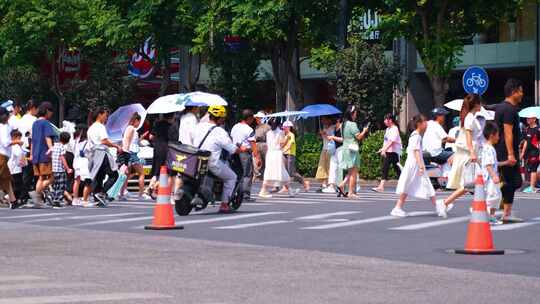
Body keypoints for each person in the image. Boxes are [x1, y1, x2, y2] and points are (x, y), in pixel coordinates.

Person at [192, 105, 247, 213]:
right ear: (220, 118)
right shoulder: (220, 131)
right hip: (212, 162)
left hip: (196, 160)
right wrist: (241, 149)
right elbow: (231, 148)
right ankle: (224, 204)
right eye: (223, 118)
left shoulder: (199, 126)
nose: (223, 120)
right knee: (232, 177)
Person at [438, 94, 484, 218]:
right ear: (476, 104)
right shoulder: (469, 117)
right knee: (472, 183)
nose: (481, 105)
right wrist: (473, 153)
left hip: (471, 153)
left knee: (474, 183)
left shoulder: (470, 117)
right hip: (469, 154)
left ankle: (476, 206)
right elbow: (469, 138)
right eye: (480, 102)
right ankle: (445, 202)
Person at [391, 115, 437, 217]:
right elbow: (415, 151)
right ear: (419, 124)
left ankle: (438, 206)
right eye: (425, 121)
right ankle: (397, 208)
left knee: (424, 184)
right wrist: (421, 166)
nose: (427, 123)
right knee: (410, 185)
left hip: (415, 164)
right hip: (414, 164)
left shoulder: (415, 135)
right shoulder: (416, 136)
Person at [494, 78, 524, 222]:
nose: (522, 94)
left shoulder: (501, 107)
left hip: (502, 149)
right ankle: (505, 213)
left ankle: (502, 207)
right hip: (506, 151)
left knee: (515, 182)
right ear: (514, 92)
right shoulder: (509, 109)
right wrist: (511, 154)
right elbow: (507, 132)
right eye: (520, 91)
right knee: (511, 182)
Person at [87, 108, 122, 207]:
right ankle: (101, 193)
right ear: (100, 115)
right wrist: (116, 146)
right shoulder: (100, 127)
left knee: (99, 176)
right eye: (105, 115)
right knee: (114, 175)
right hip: (101, 153)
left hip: (94, 153)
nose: (106, 118)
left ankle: (97, 196)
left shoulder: (91, 127)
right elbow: (104, 141)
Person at [258, 118, 299, 198]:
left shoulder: (268, 133)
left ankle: (290, 190)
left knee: (274, 171)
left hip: (270, 153)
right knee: (280, 171)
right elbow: (281, 145)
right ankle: (263, 190)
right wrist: (286, 139)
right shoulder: (280, 133)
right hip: (277, 153)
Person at [29, 102, 56, 208]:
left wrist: (31, 154)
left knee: (41, 177)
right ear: (47, 111)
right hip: (44, 154)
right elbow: (48, 137)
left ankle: (38, 200)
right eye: (51, 111)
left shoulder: (35, 123)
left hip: (36, 154)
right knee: (53, 177)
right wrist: (51, 148)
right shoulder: (46, 123)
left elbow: (32, 140)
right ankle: (36, 193)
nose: (52, 114)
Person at [231, 109, 262, 201]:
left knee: (237, 173)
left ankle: (235, 193)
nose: (252, 120)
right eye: (252, 118)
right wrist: (257, 157)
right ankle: (245, 195)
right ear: (249, 118)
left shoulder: (235, 127)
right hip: (245, 153)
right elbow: (253, 144)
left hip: (234, 152)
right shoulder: (249, 129)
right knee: (247, 174)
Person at [338, 105, 369, 199]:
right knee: (354, 172)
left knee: (350, 171)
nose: (356, 115)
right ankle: (351, 192)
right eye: (355, 113)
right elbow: (359, 137)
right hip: (352, 149)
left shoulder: (342, 125)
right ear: (352, 114)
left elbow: (343, 138)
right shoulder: (352, 124)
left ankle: (342, 184)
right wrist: (364, 131)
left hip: (345, 148)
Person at [118, 113, 148, 200]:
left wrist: (141, 138)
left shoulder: (130, 128)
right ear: (136, 120)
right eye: (139, 121)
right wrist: (126, 153)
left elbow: (132, 141)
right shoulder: (131, 128)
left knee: (127, 174)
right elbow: (127, 141)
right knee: (141, 173)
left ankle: (122, 194)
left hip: (129, 152)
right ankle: (141, 194)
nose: (139, 124)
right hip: (131, 153)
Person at [482, 122, 506, 225]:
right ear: (492, 135)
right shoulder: (488, 148)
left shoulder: (489, 148)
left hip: (491, 177)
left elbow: (494, 163)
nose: (499, 137)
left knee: (496, 197)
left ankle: (490, 216)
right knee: (493, 197)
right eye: (498, 135)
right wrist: (494, 176)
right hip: (490, 178)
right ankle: (485, 214)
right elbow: (488, 165)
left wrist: (506, 163)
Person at [373, 113, 402, 193]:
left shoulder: (394, 129)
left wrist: (384, 150)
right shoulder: (388, 129)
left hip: (394, 152)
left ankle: (404, 186)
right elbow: (386, 141)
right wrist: (382, 149)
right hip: (389, 152)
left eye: (386, 119)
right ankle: (381, 187)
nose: (384, 121)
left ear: (390, 120)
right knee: (385, 168)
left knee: (397, 170)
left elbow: (391, 142)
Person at [147, 113, 174, 197]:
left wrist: (157, 138)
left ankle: (150, 186)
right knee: (164, 171)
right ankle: (154, 187)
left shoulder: (157, 123)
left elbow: (150, 137)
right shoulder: (171, 126)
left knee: (156, 170)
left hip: (156, 148)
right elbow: (172, 139)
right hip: (165, 149)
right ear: (171, 117)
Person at [281, 120, 310, 192]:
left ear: (289, 127)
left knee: (291, 172)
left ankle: (304, 182)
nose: (284, 128)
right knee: (284, 171)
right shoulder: (284, 135)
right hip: (284, 154)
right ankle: (285, 187)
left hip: (290, 154)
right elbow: (281, 144)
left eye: (285, 127)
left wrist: (285, 149)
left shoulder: (291, 135)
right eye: (283, 127)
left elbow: (291, 144)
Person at [0, 108, 18, 208]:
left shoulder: (6, 126)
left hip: (4, 156)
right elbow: (6, 143)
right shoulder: (3, 127)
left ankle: (13, 200)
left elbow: (14, 126)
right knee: (5, 178)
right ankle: (12, 200)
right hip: (1, 156)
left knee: (6, 179)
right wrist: (17, 142)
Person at [72, 125, 92, 207]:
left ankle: (75, 199)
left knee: (77, 181)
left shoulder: (75, 141)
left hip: (76, 162)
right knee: (88, 181)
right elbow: (90, 153)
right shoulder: (87, 142)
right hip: (84, 162)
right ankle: (85, 200)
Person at [51, 132, 73, 206]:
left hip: (53, 169)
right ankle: (57, 200)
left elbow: (48, 154)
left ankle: (53, 198)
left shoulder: (54, 145)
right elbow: (62, 158)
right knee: (61, 186)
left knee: (55, 185)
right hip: (60, 169)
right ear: (67, 140)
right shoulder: (62, 147)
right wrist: (67, 168)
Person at [315, 116, 336, 192]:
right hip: (324, 148)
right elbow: (320, 138)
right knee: (322, 166)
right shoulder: (323, 127)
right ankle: (324, 183)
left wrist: (325, 134)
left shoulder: (333, 127)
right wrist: (321, 134)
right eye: (322, 120)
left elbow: (332, 138)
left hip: (330, 149)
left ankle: (330, 183)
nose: (323, 121)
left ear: (329, 120)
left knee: (329, 167)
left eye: (324, 119)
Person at [520, 115, 540, 193]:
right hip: (528, 153)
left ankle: (532, 187)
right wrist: (522, 153)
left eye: (529, 118)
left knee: (533, 169)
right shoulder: (527, 129)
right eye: (527, 118)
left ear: (534, 119)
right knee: (531, 169)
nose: (527, 119)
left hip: (536, 152)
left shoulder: (538, 129)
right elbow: (525, 141)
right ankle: (533, 187)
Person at [8, 129, 26, 208]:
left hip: (10, 168)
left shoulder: (9, 145)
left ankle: (12, 201)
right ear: (15, 137)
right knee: (18, 186)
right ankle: (11, 200)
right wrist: (22, 162)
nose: (20, 140)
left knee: (13, 185)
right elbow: (19, 155)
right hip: (16, 169)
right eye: (19, 138)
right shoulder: (15, 146)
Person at [327, 118, 345, 195]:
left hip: (341, 149)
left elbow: (344, 139)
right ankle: (331, 186)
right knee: (332, 167)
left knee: (340, 169)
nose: (333, 124)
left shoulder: (342, 128)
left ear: (338, 120)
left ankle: (340, 186)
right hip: (335, 149)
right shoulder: (334, 128)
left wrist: (333, 137)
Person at [253, 111, 271, 180]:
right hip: (257, 144)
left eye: (258, 118)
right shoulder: (257, 127)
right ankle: (257, 174)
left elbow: (269, 137)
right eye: (256, 118)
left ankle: (266, 176)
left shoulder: (267, 127)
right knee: (256, 160)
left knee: (266, 160)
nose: (256, 120)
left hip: (265, 144)